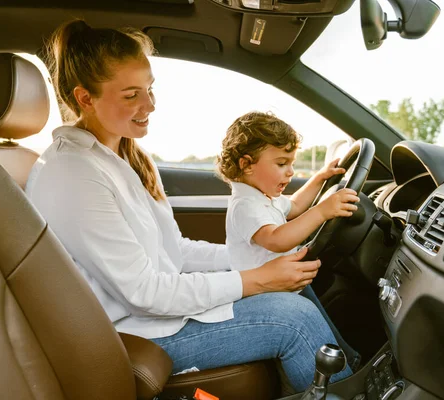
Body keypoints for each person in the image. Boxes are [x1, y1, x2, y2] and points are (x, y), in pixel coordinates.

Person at [25, 19, 353, 393]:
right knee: (295, 319)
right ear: (85, 98)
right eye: (131, 95)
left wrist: (249, 260)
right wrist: (256, 279)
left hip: (148, 317)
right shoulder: (73, 173)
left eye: (149, 89)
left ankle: (353, 375)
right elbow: (146, 293)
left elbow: (173, 251)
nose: (149, 105)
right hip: (126, 336)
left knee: (291, 284)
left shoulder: (120, 157)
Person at [217, 111, 362, 368]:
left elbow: (294, 206)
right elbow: (276, 239)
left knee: (326, 327)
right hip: (263, 295)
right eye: (282, 163)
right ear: (247, 164)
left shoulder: (263, 197)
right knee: (320, 331)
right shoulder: (245, 205)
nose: (291, 172)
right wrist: (322, 211)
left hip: (287, 284)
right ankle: (345, 367)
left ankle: (348, 359)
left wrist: (319, 179)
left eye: (291, 163)